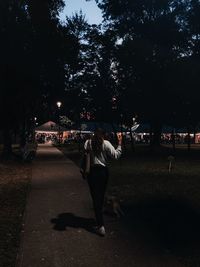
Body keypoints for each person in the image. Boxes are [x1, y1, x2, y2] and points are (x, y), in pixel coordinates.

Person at [84, 128, 122, 236]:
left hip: (92, 172)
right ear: (103, 135)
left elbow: (85, 155)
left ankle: (100, 224)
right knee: (100, 196)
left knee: (95, 197)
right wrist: (119, 144)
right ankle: (100, 223)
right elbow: (116, 155)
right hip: (103, 172)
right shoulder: (106, 143)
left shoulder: (88, 143)